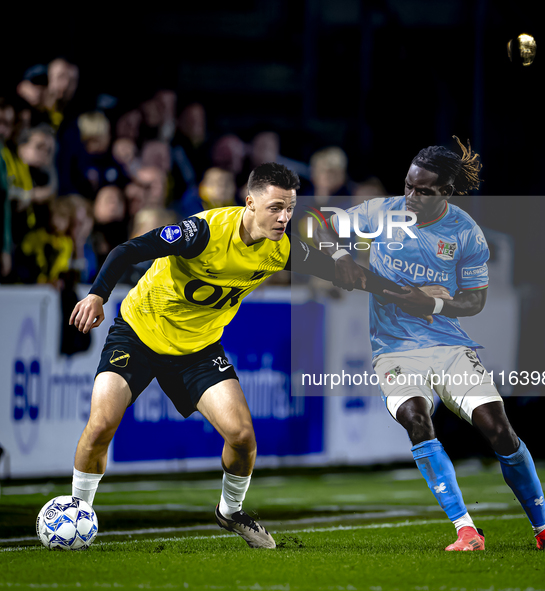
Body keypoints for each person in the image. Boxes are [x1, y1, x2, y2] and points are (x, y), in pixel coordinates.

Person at [68, 162, 401, 549]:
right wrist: (97, 294)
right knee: (102, 424)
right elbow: (129, 250)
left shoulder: (280, 250)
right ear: (249, 203)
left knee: (243, 437)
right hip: (138, 334)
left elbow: (342, 272)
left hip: (198, 348)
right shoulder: (203, 232)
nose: (284, 217)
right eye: (276, 207)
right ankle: (77, 513)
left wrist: (393, 289)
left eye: (290, 208)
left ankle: (230, 511)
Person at [314, 137, 545, 552]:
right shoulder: (382, 213)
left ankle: (544, 530)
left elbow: (475, 300)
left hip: (449, 347)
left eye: (424, 191)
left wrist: (434, 301)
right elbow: (321, 226)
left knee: (499, 430)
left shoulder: (466, 234)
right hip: (394, 348)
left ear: (447, 193)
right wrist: (339, 257)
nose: (411, 197)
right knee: (417, 420)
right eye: (408, 186)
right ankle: (466, 530)